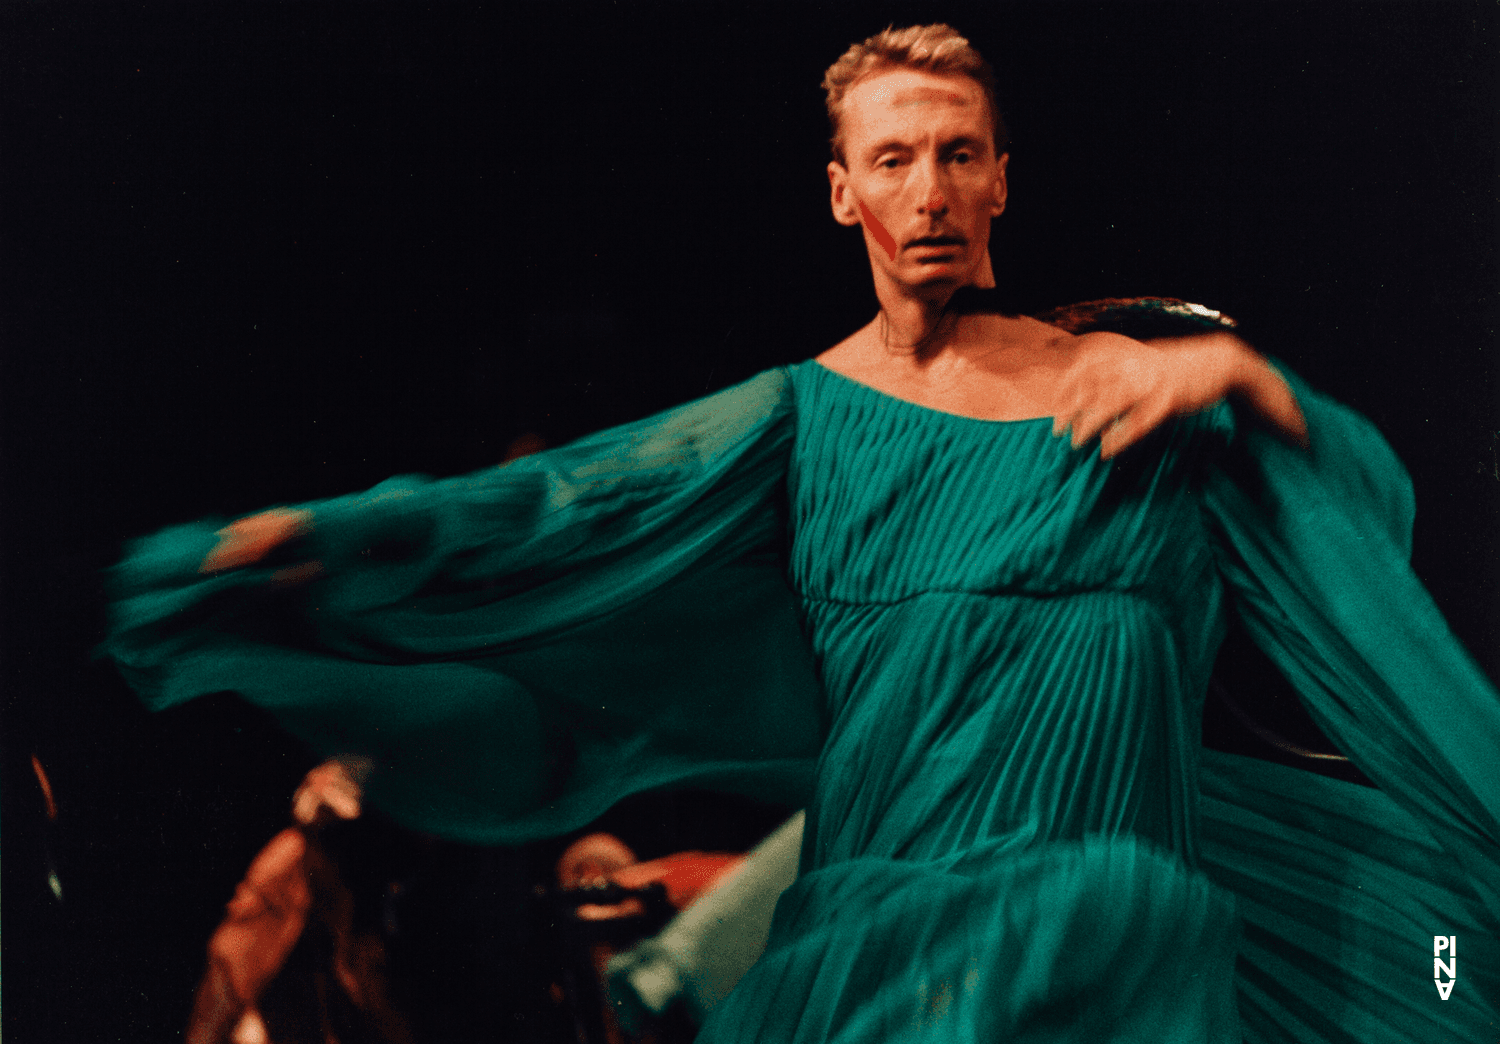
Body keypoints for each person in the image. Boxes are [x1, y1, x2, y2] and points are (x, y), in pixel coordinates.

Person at [104, 23, 1499, 1043]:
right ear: (845, 192)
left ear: (1002, 180)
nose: (929, 189)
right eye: (894, 158)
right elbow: (571, 502)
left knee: (1357, 946)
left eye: (958, 155)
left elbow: (1363, 543)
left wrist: (1246, 380)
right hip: (889, 931)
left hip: (1116, 921)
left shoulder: (1133, 390)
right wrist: (342, 537)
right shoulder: (802, 417)